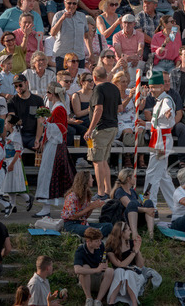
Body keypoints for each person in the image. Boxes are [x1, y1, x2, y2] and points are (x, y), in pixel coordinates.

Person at [34, 82, 74, 217]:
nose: (47, 95)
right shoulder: (57, 107)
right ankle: (48, 207)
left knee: (49, 174)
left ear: (52, 94)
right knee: (50, 174)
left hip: (55, 146)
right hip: (53, 144)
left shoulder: (59, 108)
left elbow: (61, 129)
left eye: (48, 93)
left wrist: (46, 123)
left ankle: (50, 207)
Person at [142, 71, 177, 211]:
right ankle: (177, 207)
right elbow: (157, 123)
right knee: (163, 176)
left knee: (153, 173)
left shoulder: (166, 100)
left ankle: (151, 205)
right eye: (150, 87)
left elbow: (169, 113)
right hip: (158, 138)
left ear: (161, 87)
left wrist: (169, 114)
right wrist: (145, 124)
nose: (151, 90)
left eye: (153, 87)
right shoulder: (159, 101)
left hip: (161, 140)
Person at [84, 66, 121, 200]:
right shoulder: (114, 88)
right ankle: (107, 190)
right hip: (113, 126)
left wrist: (90, 129)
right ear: (106, 75)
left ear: (94, 78)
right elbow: (120, 108)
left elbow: (98, 109)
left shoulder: (98, 89)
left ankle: (101, 193)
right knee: (104, 160)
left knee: (98, 161)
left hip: (101, 128)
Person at [104, 222, 146, 306]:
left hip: (133, 274)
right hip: (119, 278)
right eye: (128, 230)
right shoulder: (111, 247)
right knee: (119, 270)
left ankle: (134, 303)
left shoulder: (131, 243)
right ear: (121, 232)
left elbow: (141, 265)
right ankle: (111, 302)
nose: (130, 232)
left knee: (129, 273)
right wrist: (133, 253)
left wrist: (137, 250)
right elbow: (120, 265)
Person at [73, 227, 115, 306]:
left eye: (100, 240)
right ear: (88, 241)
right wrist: (96, 270)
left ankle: (98, 300)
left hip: (99, 278)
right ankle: (88, 298)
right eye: (96, 241)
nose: (99, 243)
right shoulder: (80, 250)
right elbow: (77, 269)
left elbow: (105, 258)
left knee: (110, 271)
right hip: (87, 280)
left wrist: (104, 264)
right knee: (85, 267)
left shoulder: (100, 246)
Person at [61, 171, 111, 236]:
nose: (93, 180)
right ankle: (97, 235)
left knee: (109, 226)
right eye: (91, 178)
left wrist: (93, 207)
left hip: (83, 223)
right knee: (92, 231)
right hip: (71, 224)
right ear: (86, 181)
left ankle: (96, 235)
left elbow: (85, 217)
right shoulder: (72, 196)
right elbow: (73, 217)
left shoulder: (86, 195)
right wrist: (90, 207)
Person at [112, 169, 156, 241]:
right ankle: (135, 235)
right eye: (134, 176)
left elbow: (137, 206)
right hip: (126, 218)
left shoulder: (132, 191)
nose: (135, 178)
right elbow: (130, 206)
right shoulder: (120, 191)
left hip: (136, 215)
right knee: (132, 204)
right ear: (128, 179)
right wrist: (146, 210)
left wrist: (145, 200)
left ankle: (151, 235)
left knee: (148, 202)